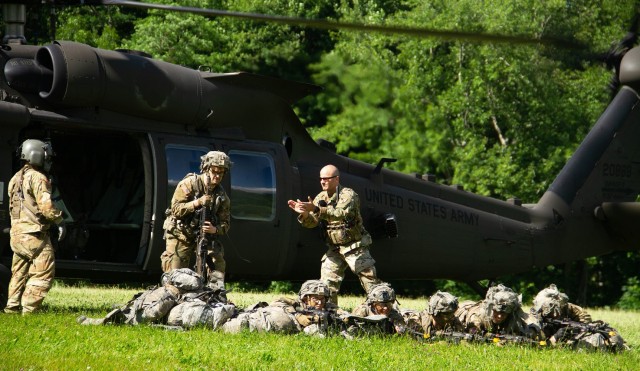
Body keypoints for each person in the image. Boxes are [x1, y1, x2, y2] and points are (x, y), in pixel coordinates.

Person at [287, 164, 380, 304]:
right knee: (326, 285)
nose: (322, 181)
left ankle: (385, 311)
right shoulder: (321, 197)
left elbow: (339, 214)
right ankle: (331, 314)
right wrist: (305, 213)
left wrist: (316, 209)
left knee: (371, 284)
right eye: (320, 179)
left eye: (326, 178)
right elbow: (312, 223)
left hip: (355, 246)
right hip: (335, 249)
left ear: (336, 179)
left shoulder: (348, 195)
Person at [4, 139, 66, 314]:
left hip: (16, 235)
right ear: (37, 155)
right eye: (47, 157)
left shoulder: (15, 178)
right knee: (44, 271)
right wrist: (60, 222)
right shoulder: (38, 178)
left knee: (18, 273)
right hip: (33, 235)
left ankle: (12, 307)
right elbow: (46, 207)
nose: (49, 161)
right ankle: (30, 310)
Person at [161, 151, 231, 291]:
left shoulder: (222, 196)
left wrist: (215, 229)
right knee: (175, 275)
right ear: (206, 169)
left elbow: (225, 223)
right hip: (181, 233)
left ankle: (214, 294)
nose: (217, 176)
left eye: (221, 173)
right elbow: (175, 209)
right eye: (214, 171)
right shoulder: (189, 183)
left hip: (204, 236)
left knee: (217, 261)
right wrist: (197, 203)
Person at [222, 279, 344, 336]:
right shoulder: (297, 304)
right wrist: (298, 316)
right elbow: (279, 301)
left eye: (322, 299)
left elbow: (338, 312)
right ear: (305, 298)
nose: (319, 302)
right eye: (315, 298)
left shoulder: (327, 307)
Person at [531, 284, 628, 351]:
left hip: (573, 335)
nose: (556, 314)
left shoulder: (569, 308)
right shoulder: (535, 320)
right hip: (550, 340)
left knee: (602, 332)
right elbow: (537, 345)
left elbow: (585, 321)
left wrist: (574, 331)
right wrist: (554, 338)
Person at [455, 284, 541, 338]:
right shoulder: (480, 314)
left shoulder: (513, 318)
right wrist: (478, 333)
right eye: (497, 312)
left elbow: (529, 324)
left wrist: (531, 332)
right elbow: (473, 328)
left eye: (504, 313)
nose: (499, 316)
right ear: (492, 309)